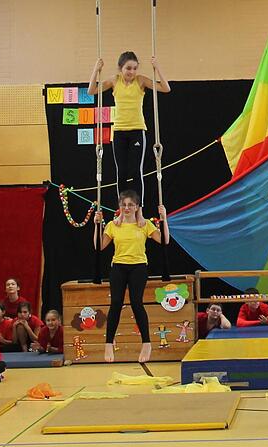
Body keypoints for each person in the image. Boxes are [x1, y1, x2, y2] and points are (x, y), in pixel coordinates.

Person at [94, 190, 169, 363]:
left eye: (130, 205)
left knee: (136, 303)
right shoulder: (113, 225)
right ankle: (108, 343)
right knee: (116, 303)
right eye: (123, 205)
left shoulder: (144, 225)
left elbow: (164, 240)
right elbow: (99, 246)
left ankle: (146, 342)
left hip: (138, 267)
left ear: (136, 207)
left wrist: (164, 219)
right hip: (118, 267)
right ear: (119, 207)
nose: (126, 208)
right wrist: (96, 224)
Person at [88, 52, 170, 207]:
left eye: (134, 68)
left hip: (137, 130)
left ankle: (138, 208)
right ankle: (122, 207)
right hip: (119, 131)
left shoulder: (140, 81)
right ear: (121, 68)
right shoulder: (114, 81)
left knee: (135, 171)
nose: (131, 72)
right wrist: (96, 69)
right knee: (122, 172)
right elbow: (91, 91)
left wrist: (157, 67)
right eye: (128, 68)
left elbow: (165, 88)